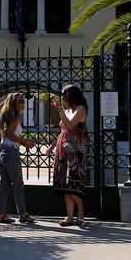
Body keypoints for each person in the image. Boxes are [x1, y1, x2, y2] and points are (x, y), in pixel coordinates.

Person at [46, 84, 88, 226]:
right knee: (65, 185)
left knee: (73, 183)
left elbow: (70, 126)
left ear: (71, 96)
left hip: (75, 151)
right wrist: (52, 146)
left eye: (64, 95)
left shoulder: (80, 109)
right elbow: (64, 131)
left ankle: (80, 211)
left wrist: (60, 110)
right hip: (63, 150)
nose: (62, 98)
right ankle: (70, 216)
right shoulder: (68, 110)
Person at [0, 92, 36, 223]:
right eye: (20, 101)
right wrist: (24, 142)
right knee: (18, 184)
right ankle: (23, 214)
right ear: (14, 103)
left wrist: (23, 141)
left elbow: (8, 135)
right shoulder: (16, 115)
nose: (23, 103)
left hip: (2, 150)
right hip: (10, 152)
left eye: (23, 101)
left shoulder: (7, 114)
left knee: (4, 185)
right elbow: (9, 134)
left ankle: (1, 214)